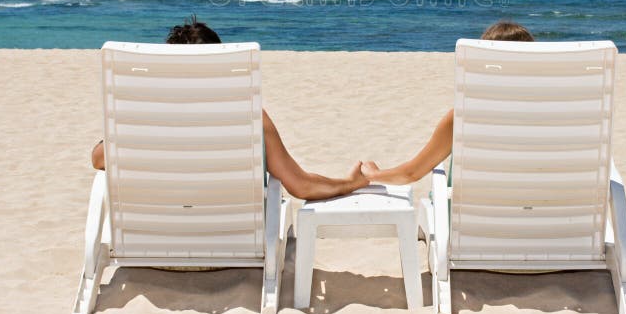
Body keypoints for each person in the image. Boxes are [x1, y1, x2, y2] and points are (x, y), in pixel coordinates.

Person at [91, 17, 368, 200]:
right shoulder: (249, 115)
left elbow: (98, 159)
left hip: (153, 248)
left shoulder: (144, 116)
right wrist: (350, 183)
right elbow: (302, 185)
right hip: (231, 246)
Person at [360, 21, 535, 185]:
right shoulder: (548, 116)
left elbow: (411, 173)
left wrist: (373, 174)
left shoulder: (463, 116)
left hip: (472, 207)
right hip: (540, 206)